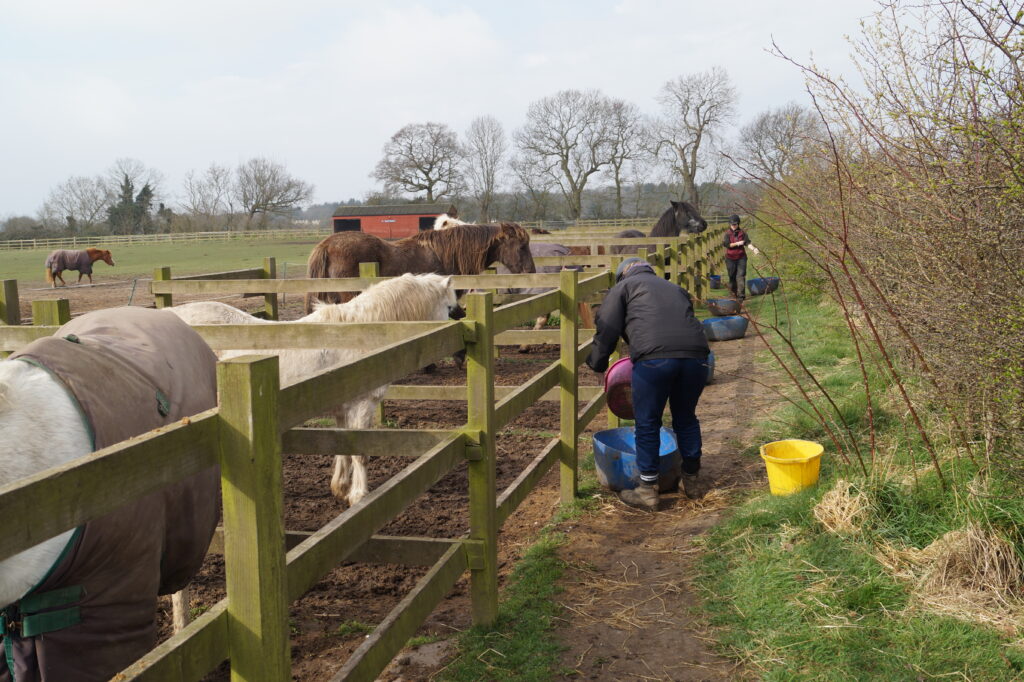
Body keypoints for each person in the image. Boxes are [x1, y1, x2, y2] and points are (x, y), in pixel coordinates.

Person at [586, 257, 711, 511]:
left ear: (622, 275)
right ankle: (693, 482)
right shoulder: (675, 288)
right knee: (686, 418)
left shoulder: (623, 287)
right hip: (696, 358)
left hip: (655, 361)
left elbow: (607, 326)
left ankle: (647, 490)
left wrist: (598, 364)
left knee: (647, 422)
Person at [722, 214, 760, 300]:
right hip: (730, 258)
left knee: (741, 275)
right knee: (732, 276)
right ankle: (733, 294)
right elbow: (727, 245)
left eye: (735, 224)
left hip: (741, 257)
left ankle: (741, 295)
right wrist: (737, 243)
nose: (733, 226)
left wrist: (754, 249)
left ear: (738, 224)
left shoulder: (742, 233)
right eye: (732, 224)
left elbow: (747, 243)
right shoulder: (727, 234)